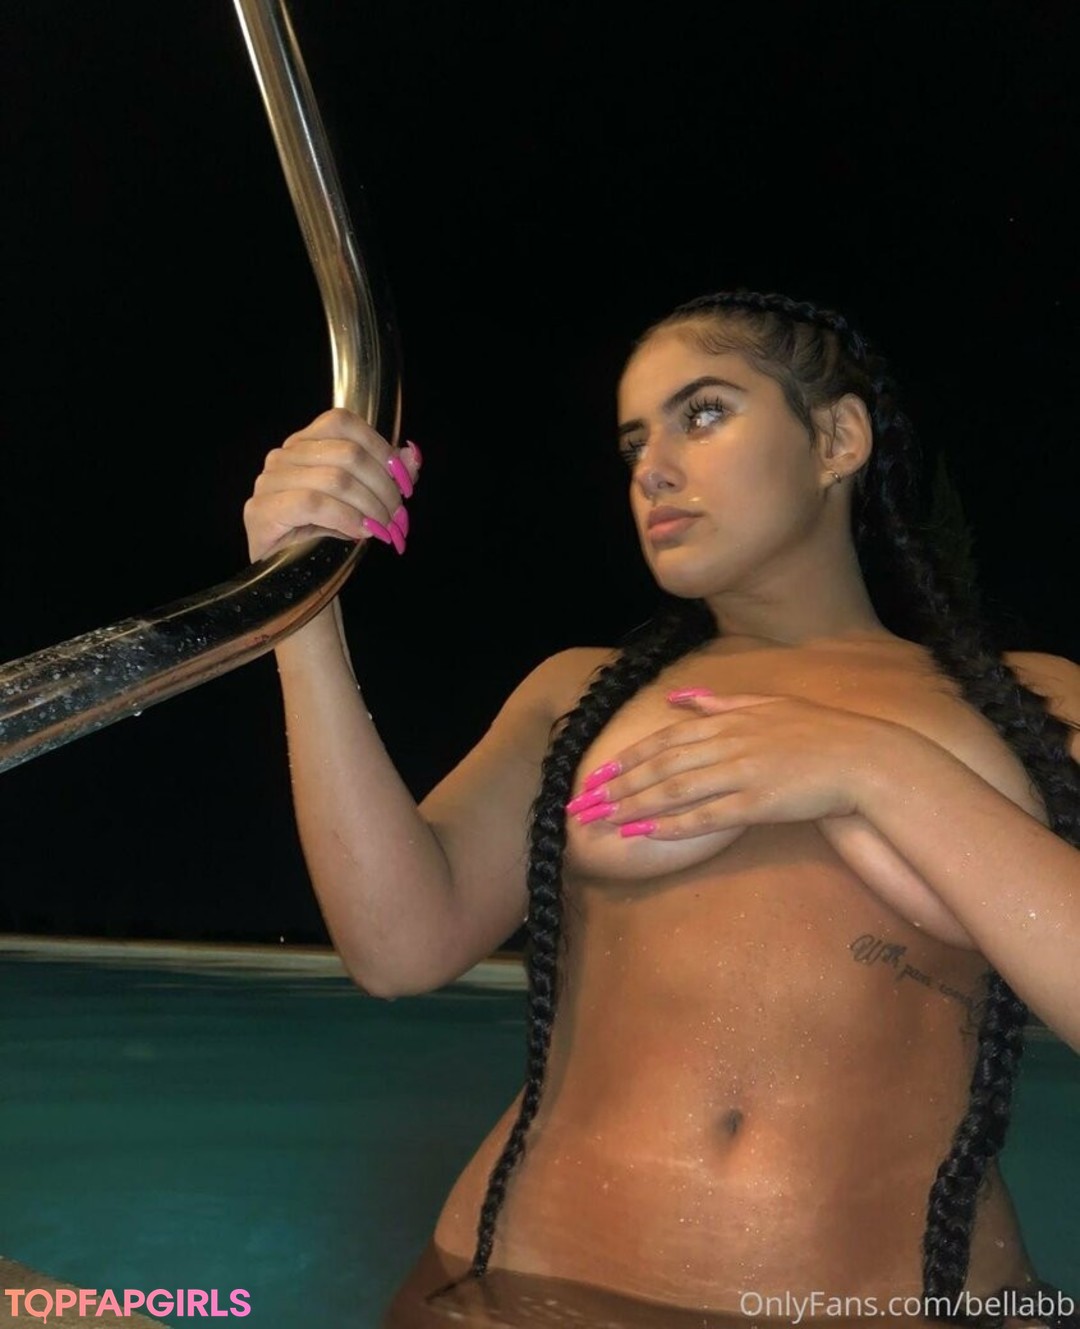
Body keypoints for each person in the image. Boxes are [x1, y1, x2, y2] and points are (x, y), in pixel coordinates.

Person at [242, 290, 1080, 1328]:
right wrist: (298, 616)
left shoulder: (1036, 702)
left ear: (837, 439)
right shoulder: (578, 692)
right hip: (524, 1291)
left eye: (705, 413)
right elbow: (395, 949)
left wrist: (873, 765)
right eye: (635, 442)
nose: (653, 468)